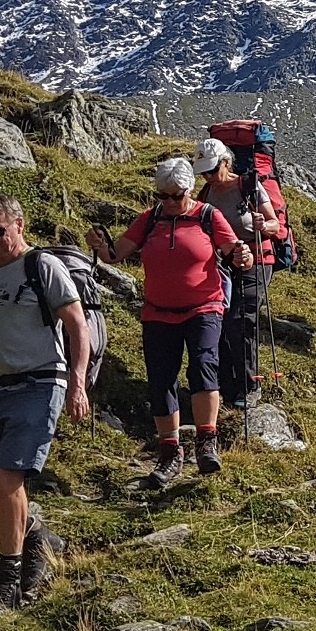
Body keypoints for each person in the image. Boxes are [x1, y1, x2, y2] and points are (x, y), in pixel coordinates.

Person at [0, 193, 90, 617]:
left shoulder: (42, 267)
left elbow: (77, 325)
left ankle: (6, 580)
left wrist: (77, 383)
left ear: (19, 226)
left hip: (38, 383)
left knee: (9, 478)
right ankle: (33, 534)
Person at [86, 157, 250, 487]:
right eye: (164, 195)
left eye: (177, 195)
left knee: (204, 365)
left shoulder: (208, 216)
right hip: (158, 311)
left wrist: (242, 255)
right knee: (161, 380)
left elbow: (235, 249)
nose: (171, 202)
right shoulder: (149, 220)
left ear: (189, 190)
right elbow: (116, 255)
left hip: (204, 306)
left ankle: (206, 442)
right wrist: (100, 246)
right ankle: (170, 452)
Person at [194, 136, 274, 407]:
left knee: (241, 318)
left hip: (258, 258)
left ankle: (249, 386)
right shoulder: (206, 194)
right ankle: (228, 387)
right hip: (223, 262)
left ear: (226, 163)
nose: (208, 176)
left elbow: (275, 225)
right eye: (203, 172)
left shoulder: (249, 187)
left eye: (213, 169)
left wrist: (264, 226)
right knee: (220, 319)